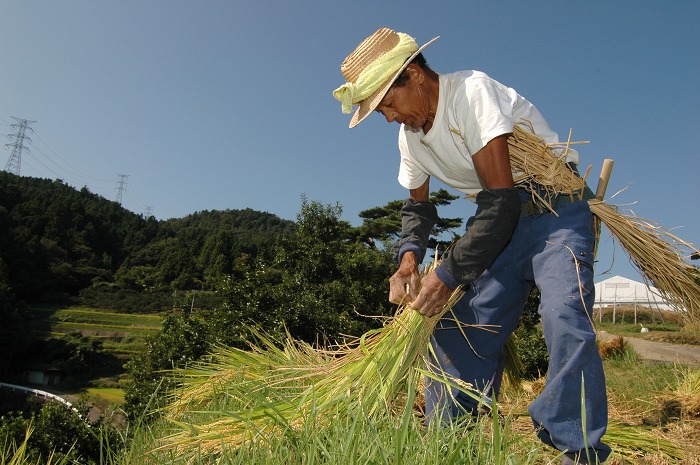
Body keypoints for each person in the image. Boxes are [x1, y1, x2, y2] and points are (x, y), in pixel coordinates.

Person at [333, 27, 612, 465]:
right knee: (461, 330)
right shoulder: (409, 140)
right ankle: (448, 442)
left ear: (414, 75)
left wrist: (447, 275)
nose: (389, 117)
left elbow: (500, 200)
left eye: (388, 104)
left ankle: (578, 449)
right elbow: (418, 209)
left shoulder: (471, 93)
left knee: (564, 314)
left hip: (554, 209)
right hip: (501, 222)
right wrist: (408, 259)